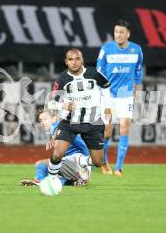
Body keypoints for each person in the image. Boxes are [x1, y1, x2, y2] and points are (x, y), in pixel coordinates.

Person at [46, 48, 110, 179]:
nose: (74, 62)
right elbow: (51, 103)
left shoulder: (94, 73)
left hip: (93, 121)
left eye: (77, 59)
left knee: (98, 162)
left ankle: (82, 161)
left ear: (82, 60)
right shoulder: (62, 79)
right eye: (70, 59)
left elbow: (107, 86)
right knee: (57, 153)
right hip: (70, 122)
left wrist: (108, 107)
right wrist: (63, 105)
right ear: (66, 62)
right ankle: (51, 180)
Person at [96, 19, 144, 176]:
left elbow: (138, 69)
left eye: (122, 32)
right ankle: (103, 162)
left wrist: (137, 86)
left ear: (128, 34)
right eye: (116, 32)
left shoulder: (136, 50)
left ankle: (119, 167)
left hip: (125, 94)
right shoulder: (106, 49)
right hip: (109, 94)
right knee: (107, 132)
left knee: (124, 128)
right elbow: (99, 70)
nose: (118, 35)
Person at [20, 109, 91, 187]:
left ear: (53, 118)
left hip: (78, 165)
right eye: (40, 120)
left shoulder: (56, 127)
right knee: (53, 172)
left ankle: (39, 182)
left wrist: (53, 137)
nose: (42, 123)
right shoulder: (60, 128)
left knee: (41, 164)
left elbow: (58, 129)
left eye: (45, 119)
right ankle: (72, 181)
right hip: (81, 168)